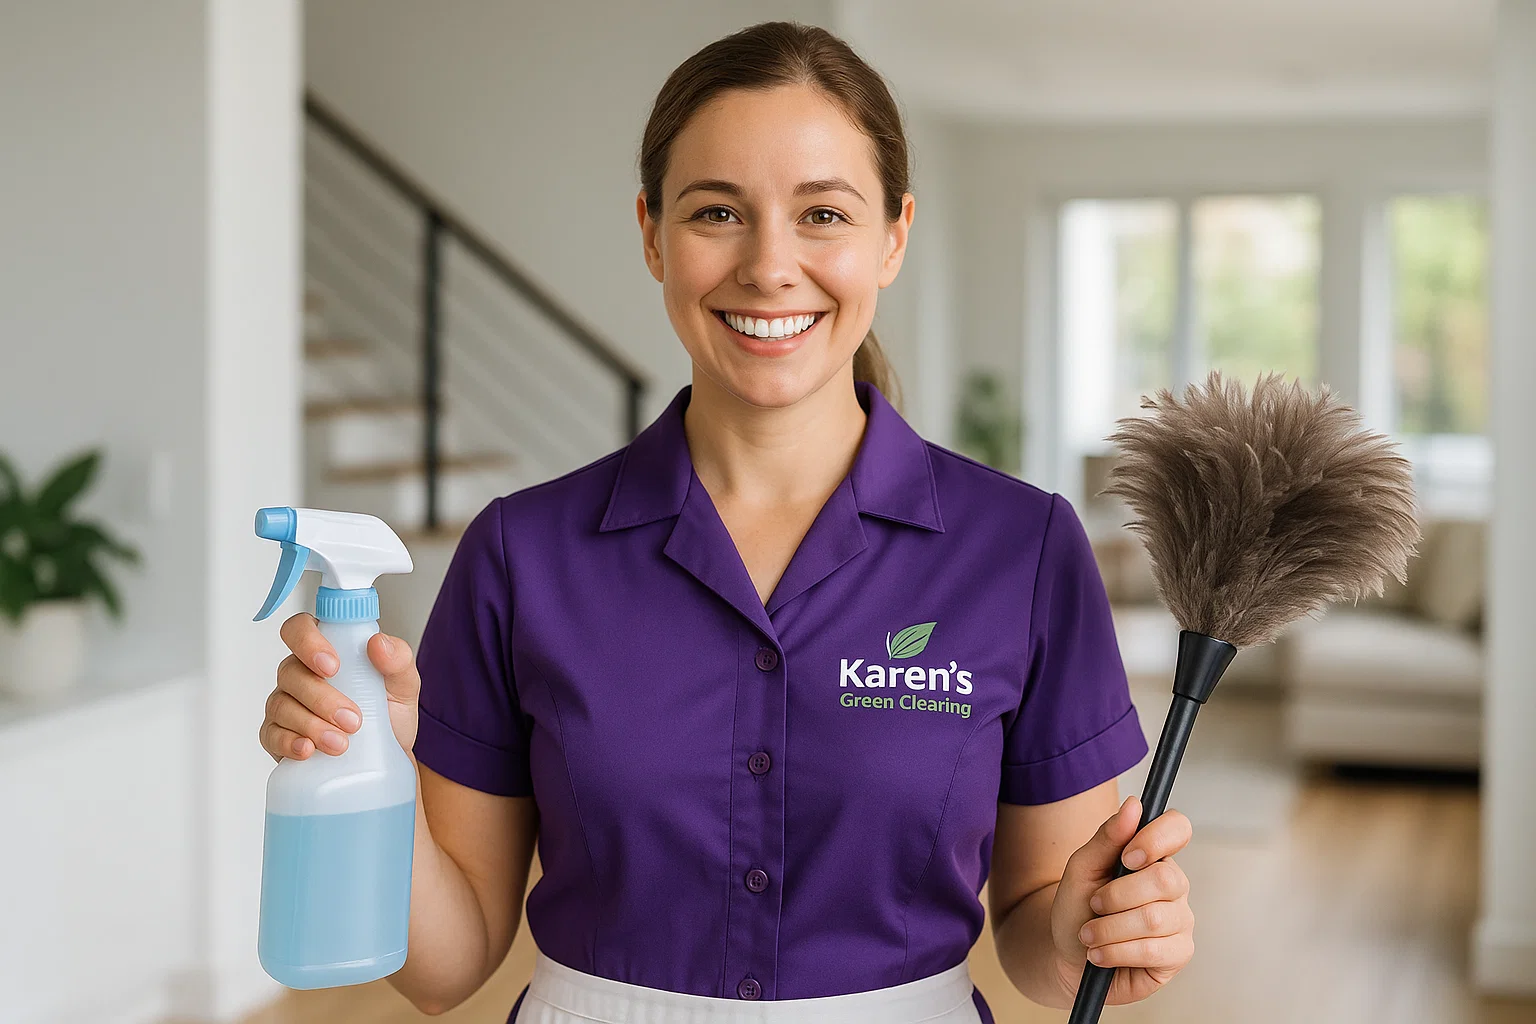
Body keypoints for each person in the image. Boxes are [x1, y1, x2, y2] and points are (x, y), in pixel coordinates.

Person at [259, 20, 1196, 1024]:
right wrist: (372, 773)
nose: (769, 265)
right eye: (718, 212)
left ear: (893, 236)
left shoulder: (1021, 550)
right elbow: (443, 970)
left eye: (824, 213)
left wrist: (1093, 934)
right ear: (652, 232)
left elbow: (1039, 941)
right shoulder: (519, 554)